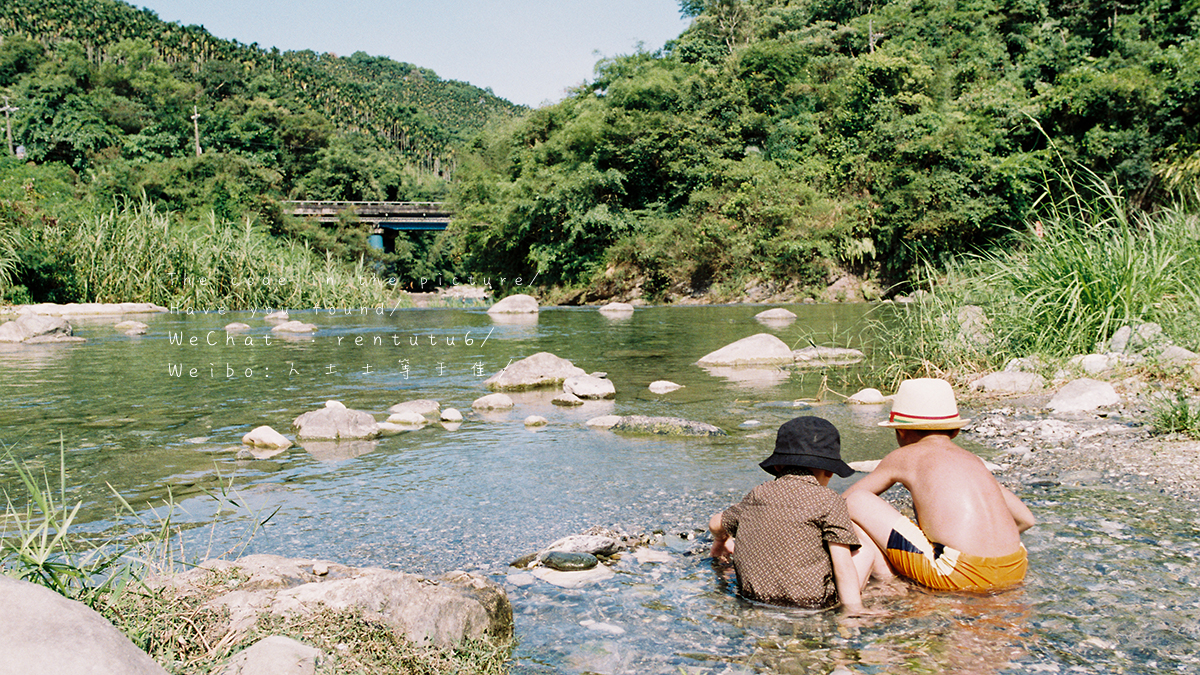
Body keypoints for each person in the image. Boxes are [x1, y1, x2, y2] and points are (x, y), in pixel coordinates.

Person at [844, 378, 1036, 591]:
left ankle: (888, 585)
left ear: (900, 431)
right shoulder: (973, 461)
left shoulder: (905, 456)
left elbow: (843, 502)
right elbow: (1026, 519)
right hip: (1015, 569)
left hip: (958, 574)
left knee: (856, 500)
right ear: (955, 431)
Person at [709, 416, 871, 613]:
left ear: (777, 466)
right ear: (830, 472)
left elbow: (715, 523)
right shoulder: (829, 500)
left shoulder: (757, 494)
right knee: (865, 544)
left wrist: (720, 541)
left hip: (753, 599)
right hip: (812, 605)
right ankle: (887, 587)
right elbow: (843, 564)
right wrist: (852, 614)